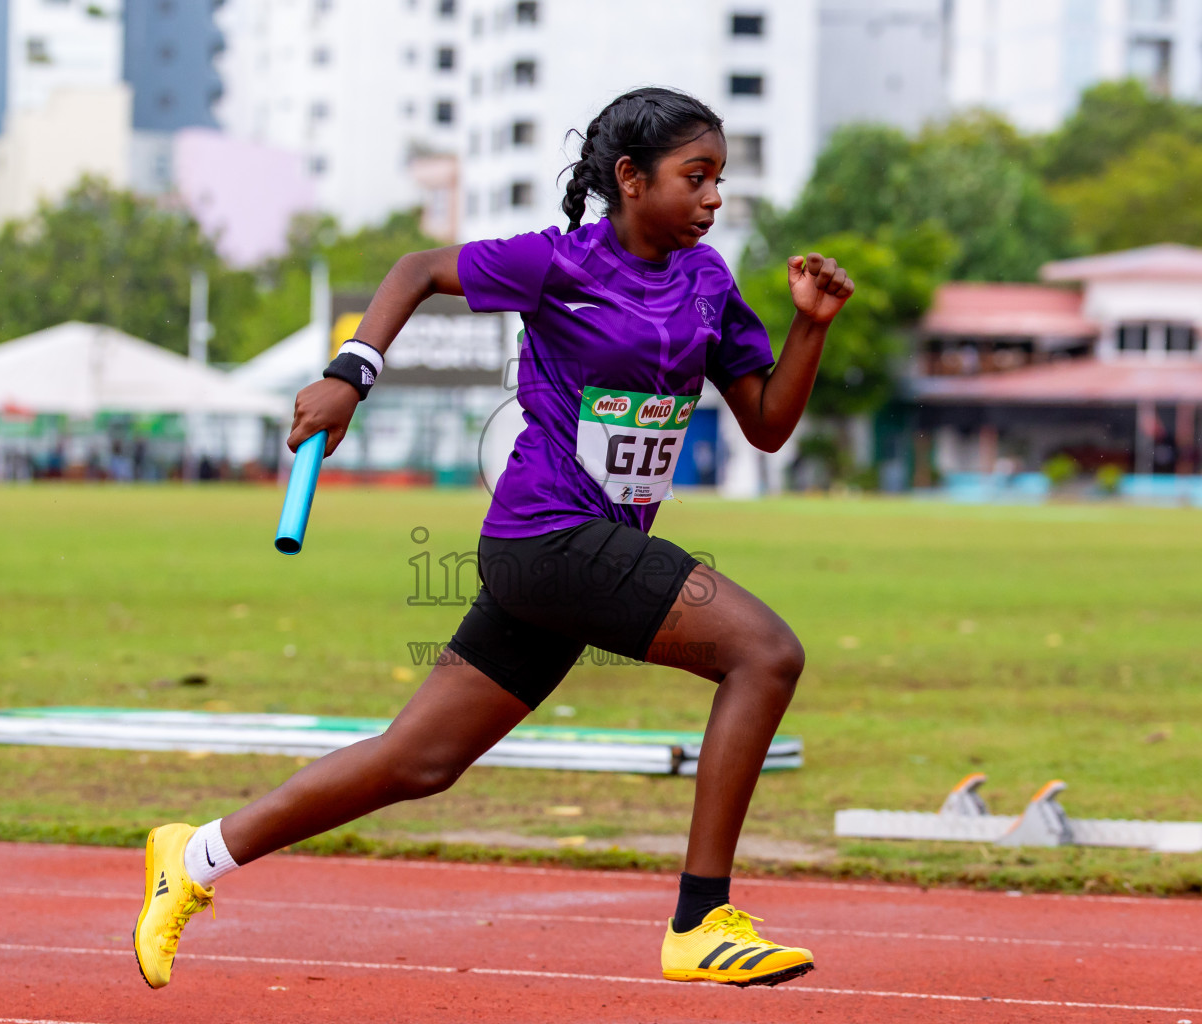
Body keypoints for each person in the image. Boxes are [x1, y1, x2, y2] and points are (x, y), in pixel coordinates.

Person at [134, 87, 854, 991]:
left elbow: (767, 425)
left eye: (720, 180)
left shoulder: (708, 282)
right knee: (766, 654)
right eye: (696, 178)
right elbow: (416, 270)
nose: (713, 199)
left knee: (419, 761)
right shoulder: (558, 263)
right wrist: (350, 373)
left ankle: (192, 856)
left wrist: (809, 329)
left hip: (571, 558)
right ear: (631, 180)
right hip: (547, 536)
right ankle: (701, 919)